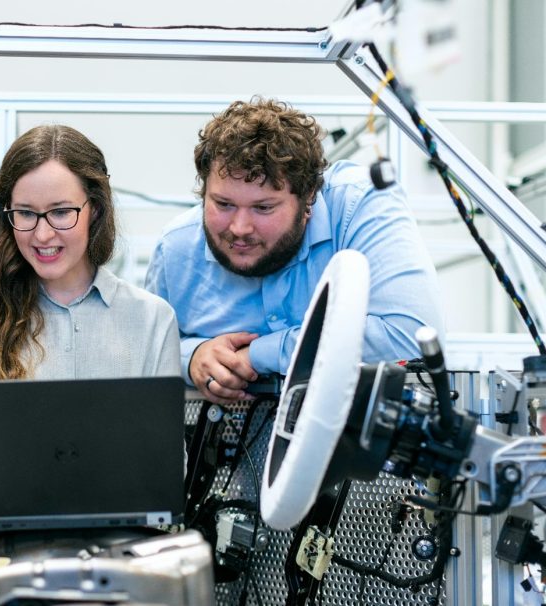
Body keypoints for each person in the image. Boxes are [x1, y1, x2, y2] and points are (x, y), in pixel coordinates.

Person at [145, 97, 444, 405]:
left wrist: (257, 356)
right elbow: (147, 351)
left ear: (308, 198)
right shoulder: (176, 250)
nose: (239, 228)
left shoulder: (359, 206)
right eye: (223, 204)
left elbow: (410, 335)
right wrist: (192, 356)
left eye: (263, 207)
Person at [0, 124, 180, 382]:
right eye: (25, 213)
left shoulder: (153, 320)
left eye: (60, 212)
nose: (43, 234)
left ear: (96, 210)